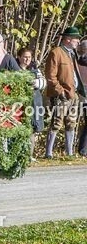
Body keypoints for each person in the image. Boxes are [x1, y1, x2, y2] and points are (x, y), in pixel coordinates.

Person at [43, 27, 83, 158]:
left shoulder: (72, 54)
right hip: (62, 95)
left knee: (71, 122)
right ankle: (48, 153)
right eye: (76, 39)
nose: (78, 41)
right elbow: (50, 76)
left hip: (73, 93)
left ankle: (69, 152)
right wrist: (60, 91)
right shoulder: (56, 53)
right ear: (68, 39)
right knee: (56, 123)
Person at [17, 47, 46, 150]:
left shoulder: (35, 69)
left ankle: (29, 153)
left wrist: (34, 83)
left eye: (29, 57)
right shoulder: (15, 70)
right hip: (21, 105)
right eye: (25, 57)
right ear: (19, 57)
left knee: (32, 129)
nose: (27, 59)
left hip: (34, 103)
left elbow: (43, 83)